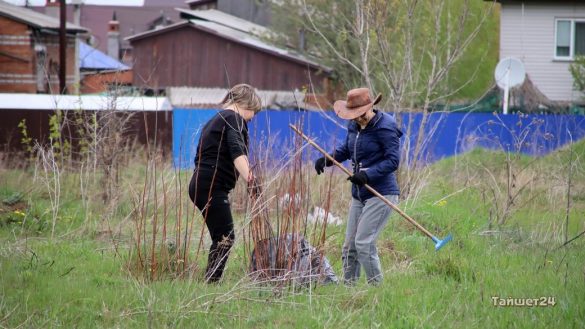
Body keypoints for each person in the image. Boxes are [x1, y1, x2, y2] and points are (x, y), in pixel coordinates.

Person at [314, 88, 402, 285]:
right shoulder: (354, 125)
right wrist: (327, 159)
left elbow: (393, 161)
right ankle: (350, 290)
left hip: (381, 193)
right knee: (349, 246)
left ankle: (376, 290)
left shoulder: (385, 127)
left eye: (361, 115)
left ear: (370, 108)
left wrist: (367, 175)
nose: (358, 119)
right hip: (359, 194)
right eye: (353, 115)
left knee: (363, 243)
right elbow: (347, 149)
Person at [189, 83, 262, 283]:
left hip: (202, 184)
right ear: (246, 104)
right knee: (225, 236)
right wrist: (251, 179)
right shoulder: (233, 118)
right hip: (211, 185)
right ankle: (211, 282)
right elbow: (237, 151)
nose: (253, 117)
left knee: (221, 236)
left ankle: (211, 280)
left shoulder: (217, 119)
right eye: (254, 112)